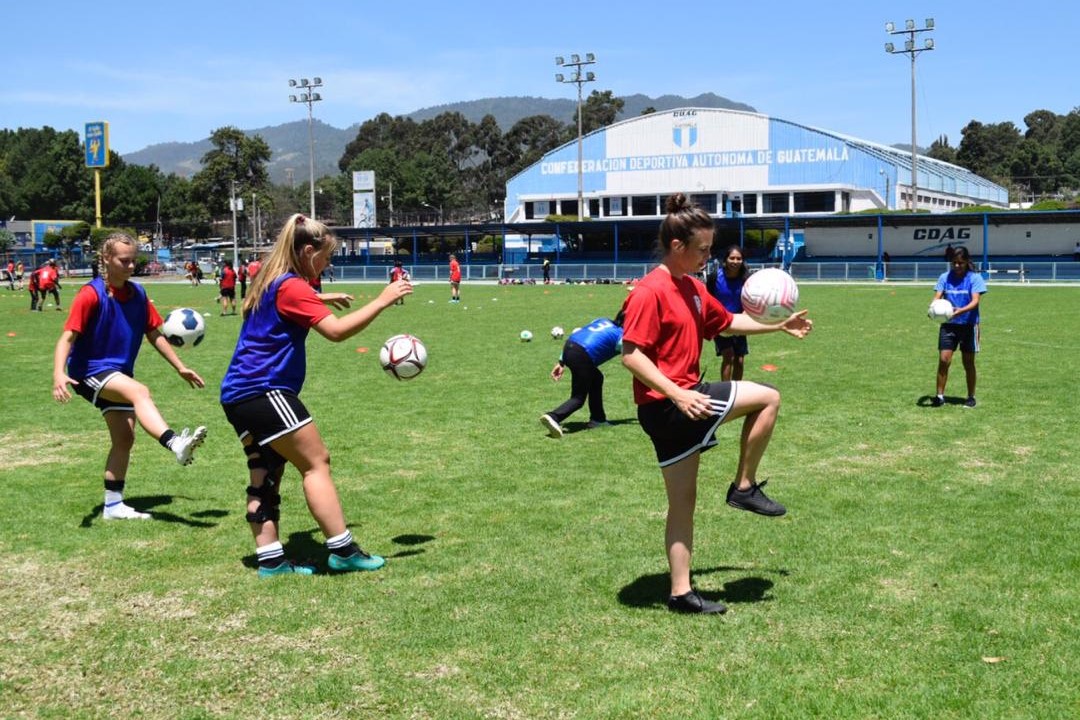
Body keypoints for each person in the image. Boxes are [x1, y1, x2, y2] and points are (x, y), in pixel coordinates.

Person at [619, 193, 813, 615]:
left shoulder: (691, 287)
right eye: (703, 250)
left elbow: (727, 322)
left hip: (670, 406)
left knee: (682, 503)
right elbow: (631, 354)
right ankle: (743, 487)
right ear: (677, 247)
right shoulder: (650, 291)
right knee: (768, 398)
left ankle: (680, 593)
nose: (709, 257)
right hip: (673, 404)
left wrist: (779, 324)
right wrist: (678, 392)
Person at [220, 213, 412, 578]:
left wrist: (320, 294)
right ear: (307, 251)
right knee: (316, 462)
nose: (327, 264)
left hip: (237, 394)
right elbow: (336, 332)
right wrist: (383, 300)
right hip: (264, 389)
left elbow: (284, 300)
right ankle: (343, 550)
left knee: (265, 471)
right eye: (325, 257)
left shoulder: (270, 279)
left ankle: (272, 561)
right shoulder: (292, 286)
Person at [51, 232, 207, 520]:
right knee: (140, 392)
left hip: (117, 373)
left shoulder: (138, 294)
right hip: (89, 372)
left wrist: (179, 366)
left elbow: (154, 334)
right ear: (107, 259)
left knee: (124, 438)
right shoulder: (91, 294)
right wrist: (58, 373)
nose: (131, 266)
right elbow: (67, 338)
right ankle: (175, 443)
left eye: (134, 260)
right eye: (125, 260)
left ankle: (112, 506)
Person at [540, 314, 624, 438]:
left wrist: (561, 361)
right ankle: (554, 416)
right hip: (582, 356)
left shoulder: (602, 320)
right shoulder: (622, 336)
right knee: (578, 399)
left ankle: (598, 419)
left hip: (569, 346)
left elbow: (580, 335)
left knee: (596, 378)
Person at [931, 246, 986, 408]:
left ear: (967, 262)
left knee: (968, 363)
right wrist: (932, 308)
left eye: (960, 263)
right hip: (949, 326)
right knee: (943, 360)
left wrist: (960, 311)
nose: (957, 266)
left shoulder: (975, 278)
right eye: (954, 263)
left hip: (969, 325)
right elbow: (937, 297)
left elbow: (975, 301)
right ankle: (939, 396)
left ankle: (971, 397)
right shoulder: (944, 277)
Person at [706, 245, 750, 381]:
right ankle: (726, 391)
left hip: (740, 322)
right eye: (732, 258)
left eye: (739, 258)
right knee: (728, 355)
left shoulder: (746, 279)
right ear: (725, 260)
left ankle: (737, 390)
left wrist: (744, 314)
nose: (735, 261)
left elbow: (752, 300)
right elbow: (708, 299)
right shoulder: (714, 277)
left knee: (740, 359)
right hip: (720, 322)